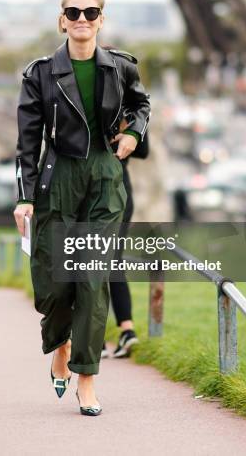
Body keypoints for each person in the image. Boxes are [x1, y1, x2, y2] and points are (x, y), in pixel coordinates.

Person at [13, 0, 151, 416]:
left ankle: (87, 377)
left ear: (101, 20)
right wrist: (24, 197)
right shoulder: (39, 73)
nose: (82, 20)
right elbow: (27, 142)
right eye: (73, 13)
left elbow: (142, 105)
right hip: (59, 176)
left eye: (90, 13)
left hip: (105, 177)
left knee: (93, 281)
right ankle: (60, 342)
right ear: (62, 20)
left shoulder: (122, 67)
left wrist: (131, 133)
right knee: (54, 285)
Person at [102, 117, 150, 359]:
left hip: (97, 189)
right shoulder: (132, 111)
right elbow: (143, 149)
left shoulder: (97, 102)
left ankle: (95, 336)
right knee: (114, 261)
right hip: (123, 192)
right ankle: (127, 330)